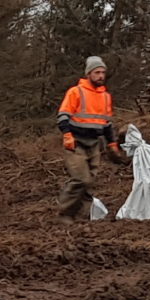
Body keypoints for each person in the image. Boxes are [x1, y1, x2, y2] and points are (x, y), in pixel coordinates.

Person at [56, 56, 123, 218]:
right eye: (97, 72)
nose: (100, 76)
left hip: (94, 143)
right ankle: (64, 214)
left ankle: (84, 213)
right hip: (76, 142)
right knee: (81, 179)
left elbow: (106, 124)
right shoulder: (75, 92)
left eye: (103, 72)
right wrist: (67, 135)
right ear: (88, 74)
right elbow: (63, 116)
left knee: (88, 181)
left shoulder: (106, 96)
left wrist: (112, 143)